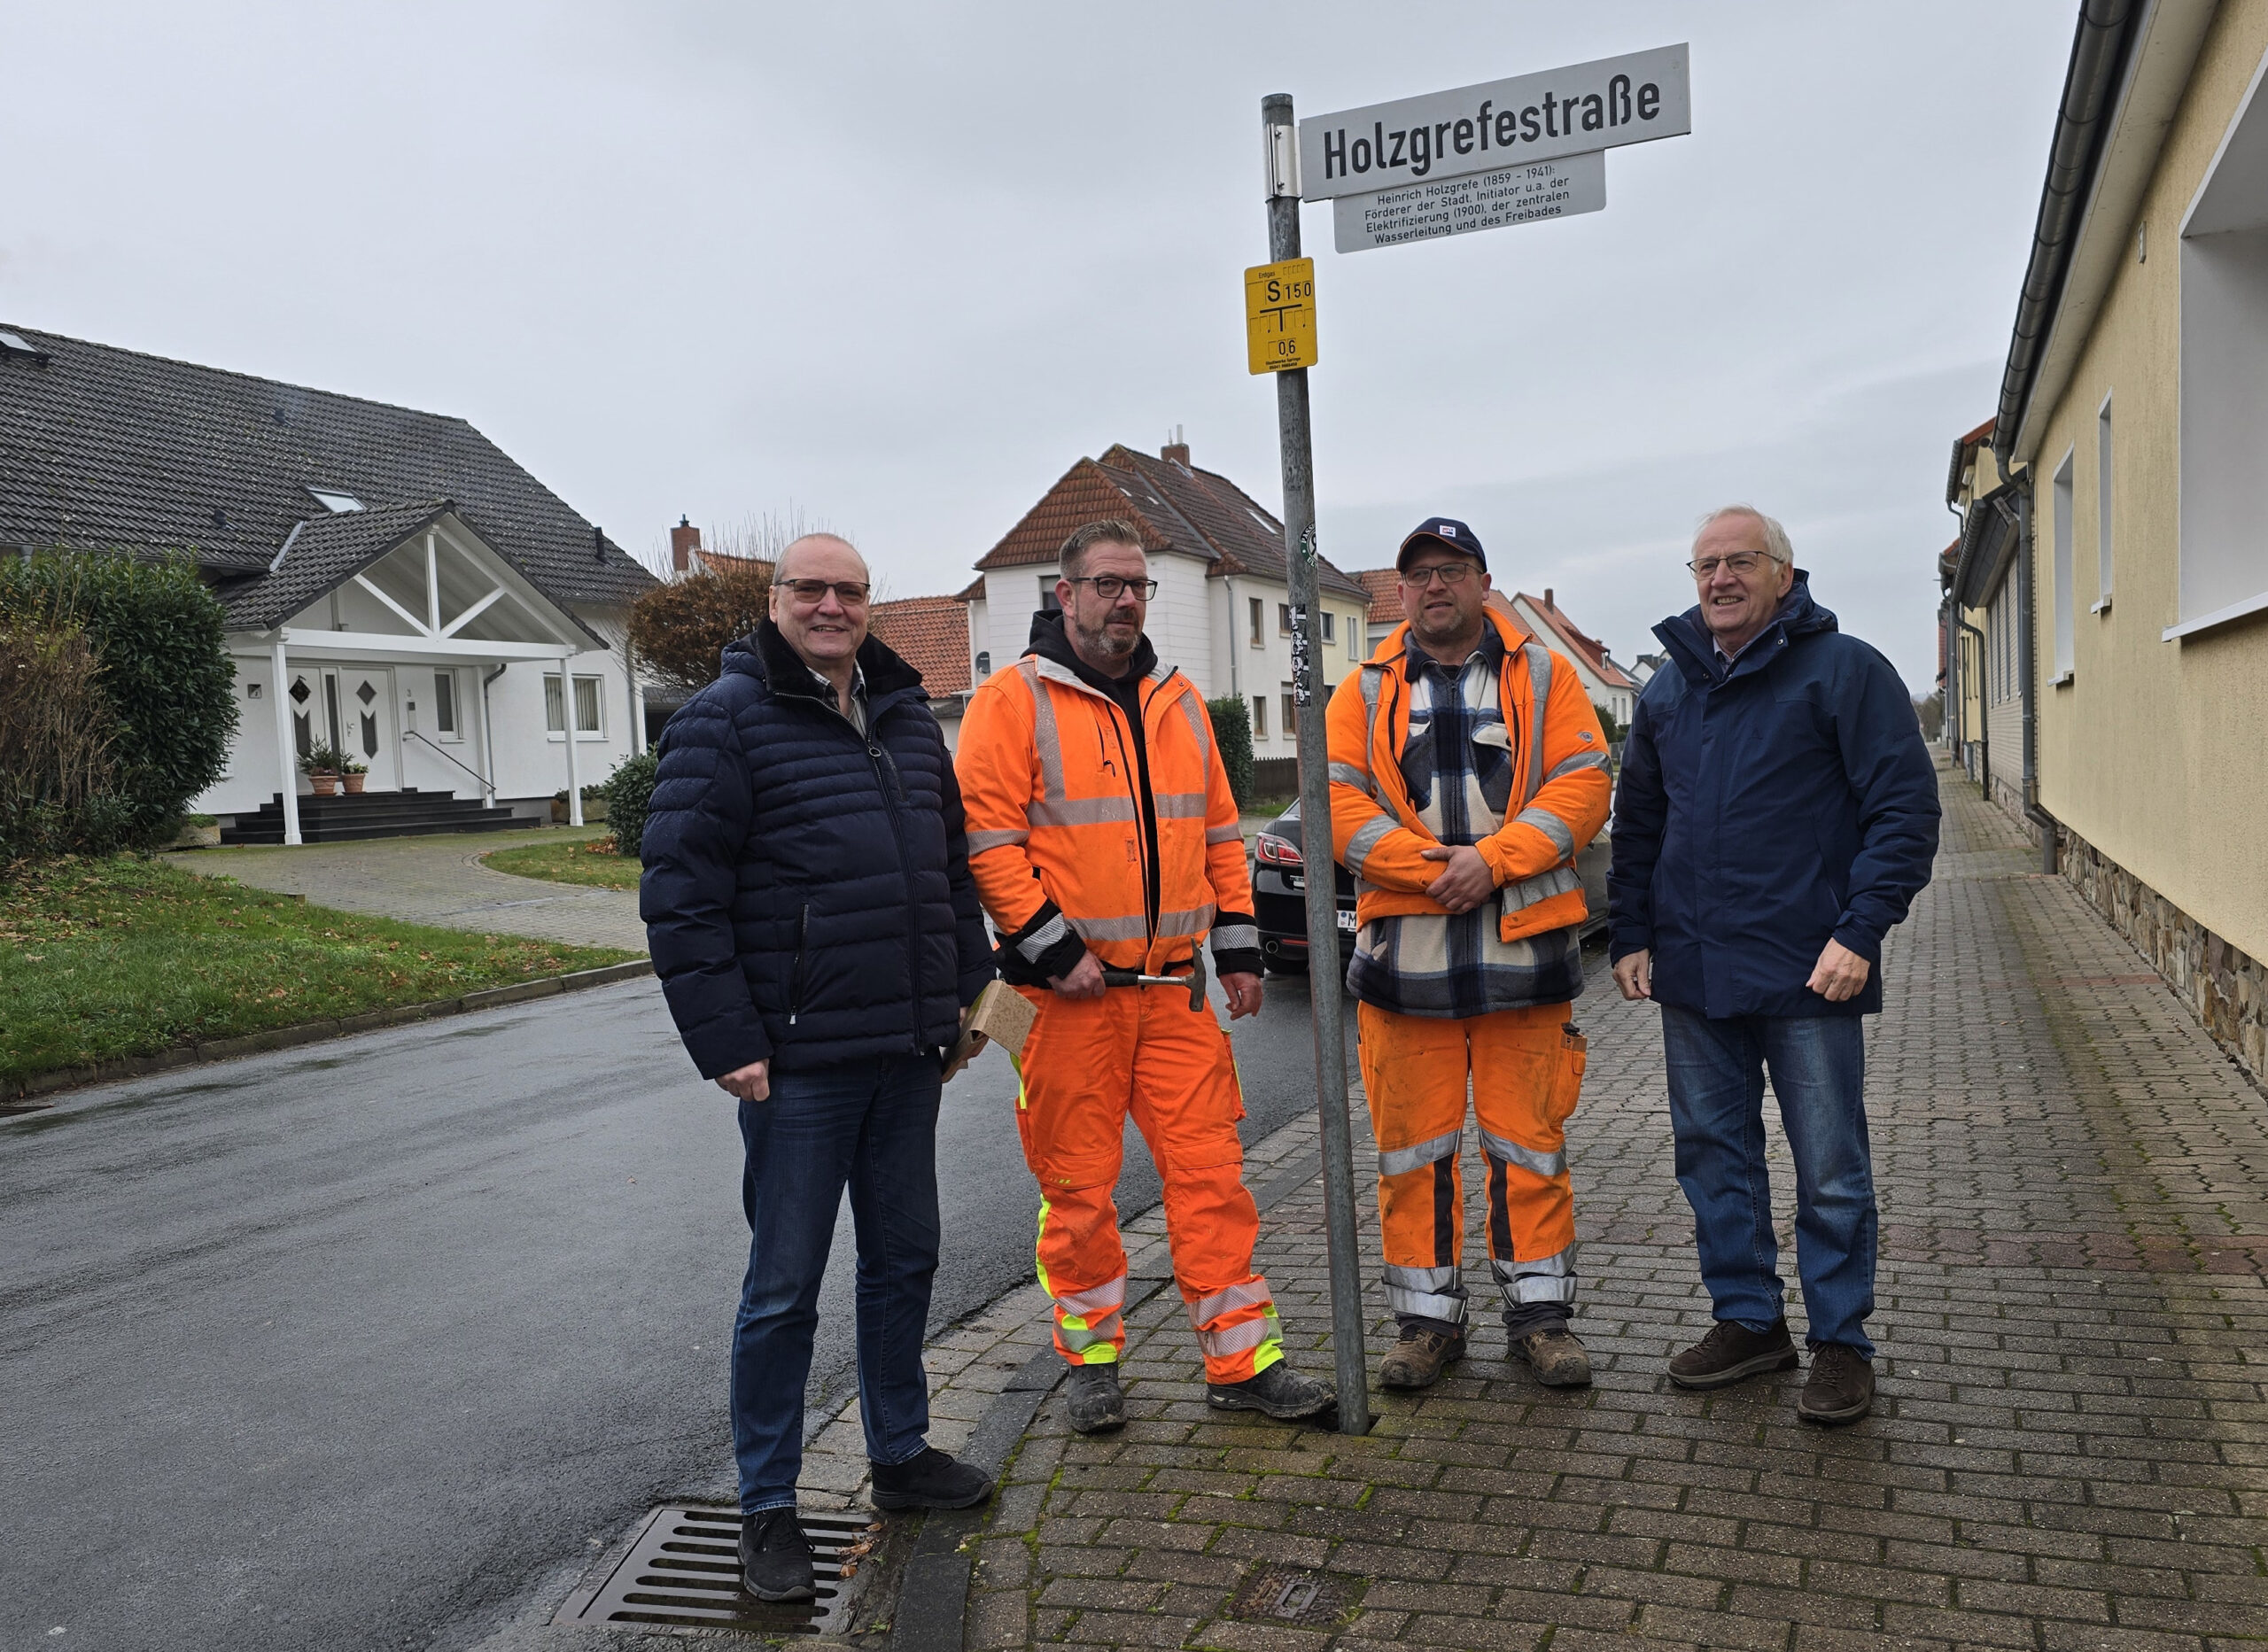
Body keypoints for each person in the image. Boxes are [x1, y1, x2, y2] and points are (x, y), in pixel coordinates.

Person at [640, 533, 999, 1602]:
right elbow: (679, 892)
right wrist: (727, 1038)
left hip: (906, 1052)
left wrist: (971, 994)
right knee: (783, 1288)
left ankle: (899, 1452)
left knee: (904, 1260)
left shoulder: (906, 716)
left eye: (849, 590)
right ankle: (767, 1506)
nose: (831, 605)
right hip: (797, 1064)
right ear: (775, 600)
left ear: (868, 604)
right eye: (811, 588)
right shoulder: (725, 718)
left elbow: (947, 871)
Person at [955, 519, 1335, 1433]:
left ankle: (1242, 1362)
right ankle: (1091, 1364)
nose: (1125, 599)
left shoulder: (1180, 701)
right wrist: (1057, 950)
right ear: (1066, 593)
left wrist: (1237, 949)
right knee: (1078, 1193)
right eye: (1107, 584)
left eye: (1137, 585)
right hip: (1061, 1004)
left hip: (1173, 993)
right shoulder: (1011, 701)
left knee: (1212, 1179)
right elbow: (988, 844)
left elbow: (1219, 835)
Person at [1608, 505, 1939, 1425]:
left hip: (1811, 971)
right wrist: (1629, 933)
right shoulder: (1668, 691)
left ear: (1783, 574)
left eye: (1740, 561)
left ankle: (1841, 1341)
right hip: (1694, 974)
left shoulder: (1845, 671)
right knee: (1713, 1155)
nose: (1720, 578)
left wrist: (1861, 931)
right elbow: (1639, 826)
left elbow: (1904, 812)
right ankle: (1749, 1320)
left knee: (1830, 1167)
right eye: (1705, 564)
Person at [1325, 517, 1612, 1391]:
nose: (1434, 585)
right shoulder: (1362, 689)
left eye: (1451, 569)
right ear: (1401, 592)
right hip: (1403, 967)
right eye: (1418, 574)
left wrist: (1492, 861)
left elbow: (1585, 785)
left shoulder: (1545, 674)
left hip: (1523, 962)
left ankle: (1542, 1321)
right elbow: (1334, 801)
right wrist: (1434, 870)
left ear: (1484, 581)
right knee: (1412, 1154)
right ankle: (1426, 1325)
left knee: (1530, 1146)